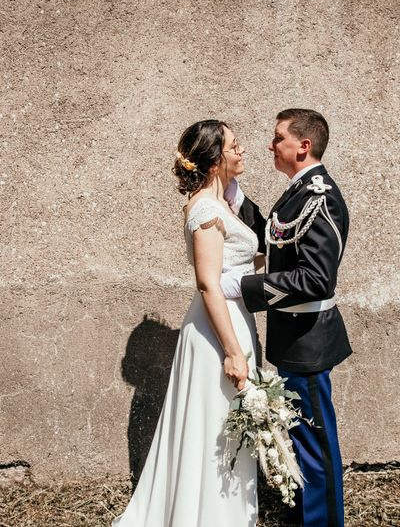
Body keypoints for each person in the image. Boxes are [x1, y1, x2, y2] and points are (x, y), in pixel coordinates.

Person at [113, 120, 259, 526]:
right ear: (214, 159)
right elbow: (208, 284)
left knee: (227, 424)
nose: (242, 151)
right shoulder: (207, 210)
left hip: (231, 319)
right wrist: (232, 351)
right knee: (215, 427)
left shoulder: (223, 203)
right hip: (217, 329)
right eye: (234, 145)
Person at [222, 109, 351, 527]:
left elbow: (315, 279)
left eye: (278, 138)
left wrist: (246, 288)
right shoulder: (298, 192)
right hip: (293, 338)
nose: (270, 145)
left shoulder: (320, 197)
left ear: (303, 146)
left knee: (316, 446)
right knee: (300, 440)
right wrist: (238, 200)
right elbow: (278, 238)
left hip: (309, 340)